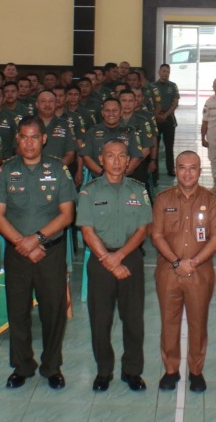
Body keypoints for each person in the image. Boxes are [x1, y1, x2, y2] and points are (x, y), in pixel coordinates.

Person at [0, 117, 76, 391]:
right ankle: (22, 366)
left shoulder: (59, 169)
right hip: (18, 254)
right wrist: (22, 243)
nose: (29, 143)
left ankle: (52, 367)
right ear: (17, 138)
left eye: (34, 137)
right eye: (24, 137)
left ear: (44, 139)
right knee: (18, 311)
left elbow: (67, 214)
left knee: (54, 312)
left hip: (50, 252)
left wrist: (37, 239)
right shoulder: (5, 171)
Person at [76, 139, 153, 392]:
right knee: (100, 320)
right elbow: (87, 232)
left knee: (133, 320)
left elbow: (143, 230)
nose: (117, 161)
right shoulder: (89, 191)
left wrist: (119, 256)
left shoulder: (138, 190)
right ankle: (103, 371)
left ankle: (132, 371)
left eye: (122, 156)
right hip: (100, 260)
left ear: (129, 160)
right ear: (101, 159)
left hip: (130, 257)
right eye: (111, 156)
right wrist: (109, 259)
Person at [150, 151, 216, 392]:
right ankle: (171, 370)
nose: (188, 172)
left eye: (193, 167)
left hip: (200, 274)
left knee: (198, 323)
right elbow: (157, 235)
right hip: (168, 273)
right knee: (169, 323)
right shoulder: (163, 200)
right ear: (176, 168)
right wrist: (175, 262)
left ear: (200, 170)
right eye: (182, 167)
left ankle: (196, 371)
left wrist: (192, 262)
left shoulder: (212, 200)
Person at [153, 64, 180, 176]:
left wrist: (166, 114)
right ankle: (155, 171)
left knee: (169, 146)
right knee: (155, 146)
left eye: (167, 72)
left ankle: (170, 169)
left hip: (169, 118)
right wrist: (157, 115)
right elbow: (149, 103)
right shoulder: (152, 86)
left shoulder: (173, 86)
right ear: (159, 72)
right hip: (155, 118)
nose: (165, 74)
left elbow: (175, 103)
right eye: (163, 71)